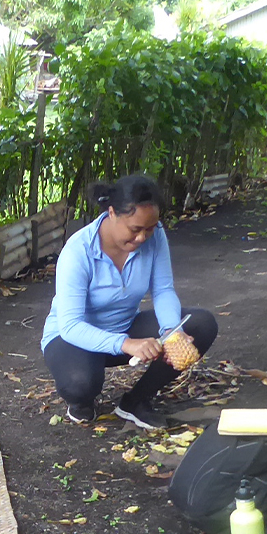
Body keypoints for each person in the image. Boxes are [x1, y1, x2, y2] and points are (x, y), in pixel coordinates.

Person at [40, 172, 219, 430]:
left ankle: (136, 401)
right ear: (112, 213)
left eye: (150, 228)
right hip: (73, 339)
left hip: (124, 326)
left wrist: (171, 331)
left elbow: (163, 290)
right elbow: (70, 325)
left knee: (201, 324)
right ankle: (81, 402)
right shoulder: (78, 251)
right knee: (80, 383)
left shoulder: (155, 236)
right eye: (135, 229)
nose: (142, 238)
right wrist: (126, 344)